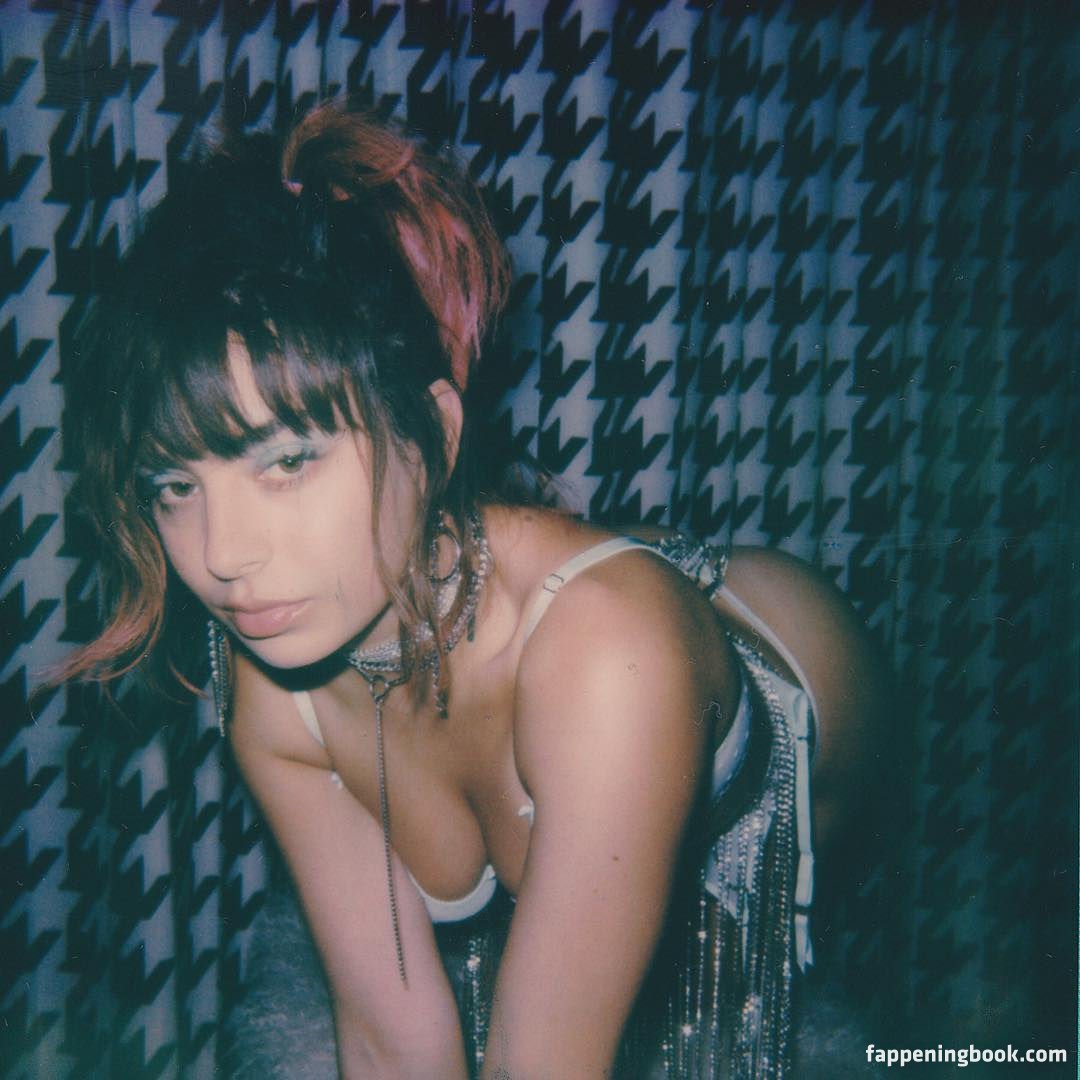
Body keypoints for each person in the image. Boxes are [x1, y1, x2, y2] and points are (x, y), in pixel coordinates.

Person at [61, 104, 886, 1078]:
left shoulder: (610, 657)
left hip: (785, 696)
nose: (223, 553)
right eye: (174, 485)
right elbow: (386, 1042)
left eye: (286, 461)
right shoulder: (274, 693)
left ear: (435, 433)